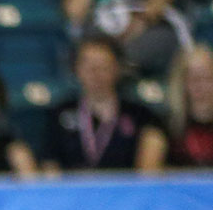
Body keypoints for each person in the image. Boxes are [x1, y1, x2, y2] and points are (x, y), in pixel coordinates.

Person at [42, 36, 165, 172]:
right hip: (72, 185)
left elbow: (149, 173)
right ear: (76, 69)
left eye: (103, 66)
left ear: (118, 68)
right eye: (88, 66)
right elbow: (50, 165)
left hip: (125, 185)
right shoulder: (59, 114)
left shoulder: (140, 116)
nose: (95, 73)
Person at [164, 44, 213, 168]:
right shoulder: (164, 125)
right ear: (181, 82)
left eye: (208, 78)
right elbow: (148, 175)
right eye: (195, 79)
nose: (202, 86)